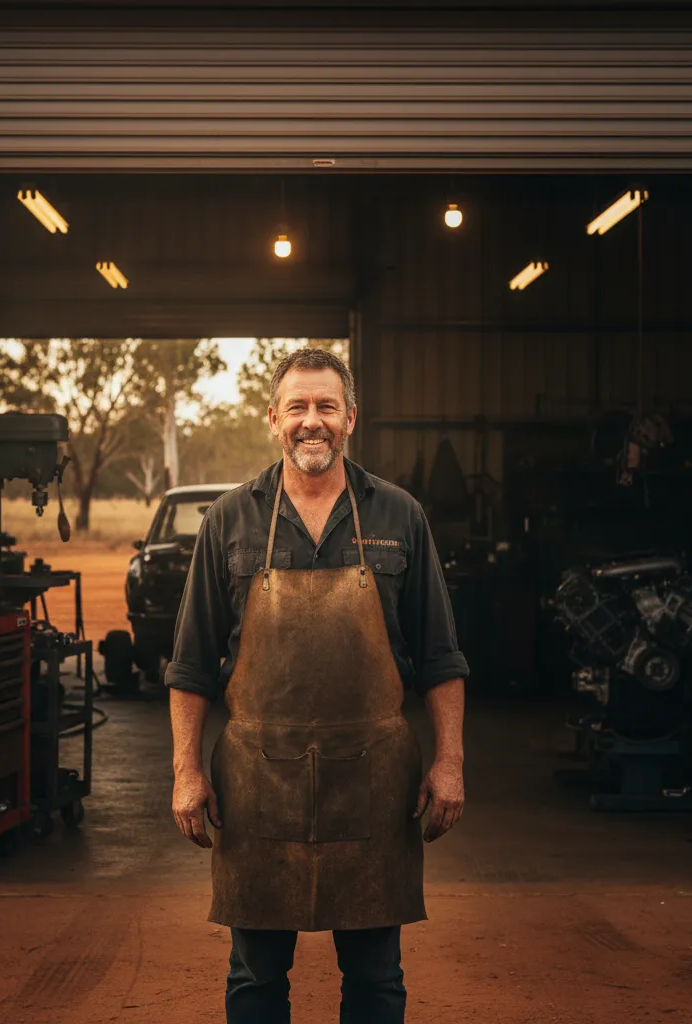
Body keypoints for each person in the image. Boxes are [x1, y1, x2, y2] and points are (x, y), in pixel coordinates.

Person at [166, 347, 468, 1023]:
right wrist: (187, 770)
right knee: (255, 977)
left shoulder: (398, 516)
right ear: (272, 419)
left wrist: (450, 761)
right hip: (257, 783)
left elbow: (442, 657)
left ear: (350, 417)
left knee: (375, 978)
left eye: (326, 407)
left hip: (371, 784)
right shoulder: (229, 521)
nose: (313, 422)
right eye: (298, 407)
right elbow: (189, 665)